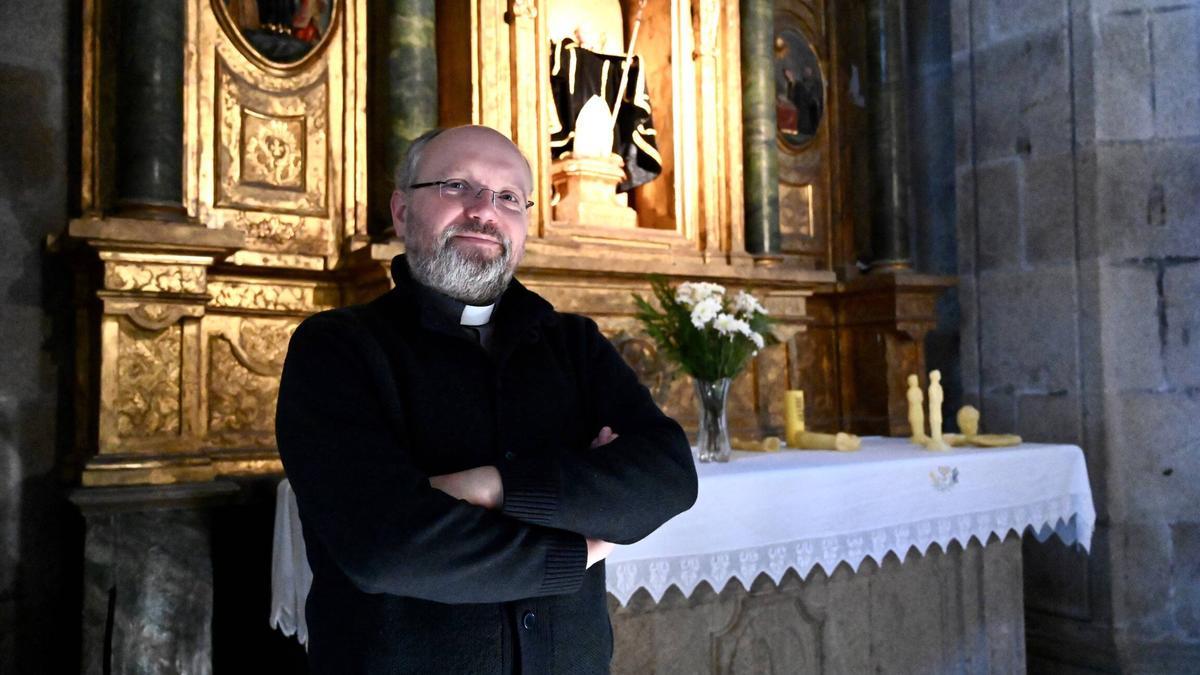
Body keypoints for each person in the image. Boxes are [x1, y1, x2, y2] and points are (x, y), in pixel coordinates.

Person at [275, 125, 698, 673]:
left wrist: (493, 487)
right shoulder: (337, 347)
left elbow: (667, 476)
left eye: (507, 198)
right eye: (456, 186)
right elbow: (387, 546)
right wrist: (579, 545)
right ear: (402, 212)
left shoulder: (574, 344)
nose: (483, 211)